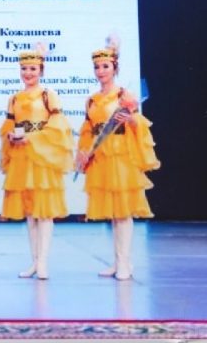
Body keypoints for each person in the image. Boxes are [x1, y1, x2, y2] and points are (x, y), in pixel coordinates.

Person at [74, 35, 161, 281]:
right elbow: (87, 130)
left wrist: (130, 119)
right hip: (101, 156)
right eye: (97, 67)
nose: (100, 71)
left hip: (120, 156)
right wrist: (84, 152)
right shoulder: (91, 100)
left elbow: (140, 124)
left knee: (123, 212)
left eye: (105, 66)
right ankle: (118, 261)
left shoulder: (124, 95)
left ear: (114, 68)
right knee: (113, 213)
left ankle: (125, 262)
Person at [0, 46, 74, 280]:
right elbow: (9, 125)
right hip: (22, 157)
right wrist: (10, 135)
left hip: (42, 158)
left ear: (41, 70)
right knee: (30, 212)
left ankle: (43, 262)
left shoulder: (48, 95)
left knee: (45, 212)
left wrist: (32, 138)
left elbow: (58, 126)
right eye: (24, 69)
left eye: (32, 69)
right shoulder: (14, 98)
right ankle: (34, 261)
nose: (28, 73)